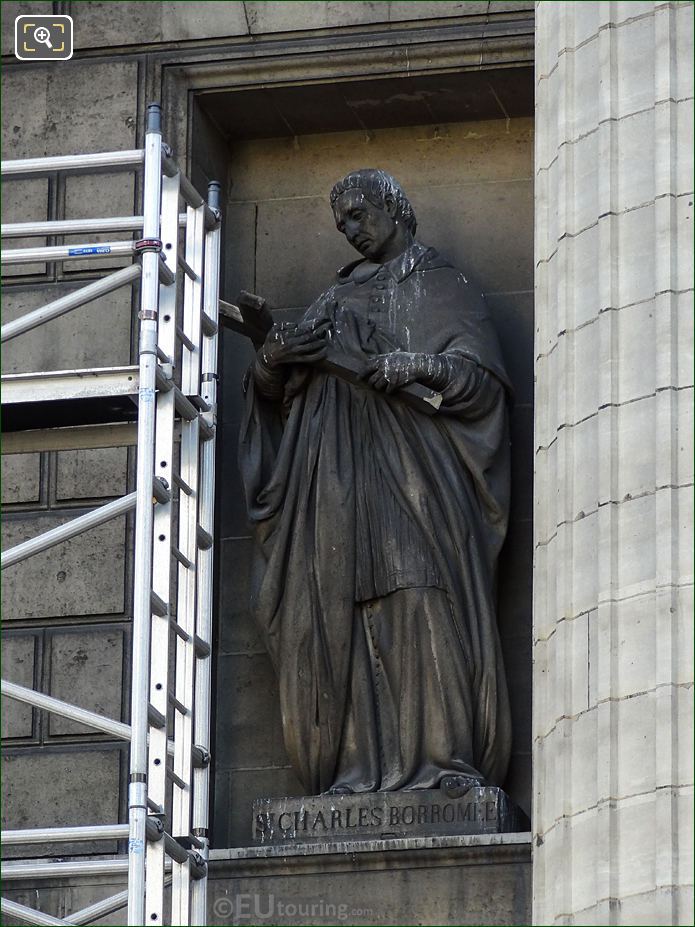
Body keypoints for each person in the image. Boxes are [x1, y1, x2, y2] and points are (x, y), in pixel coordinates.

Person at [238, 169, 512, 796]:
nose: (351, 232)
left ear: (396, 208)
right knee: (344, 613)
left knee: (419, 596)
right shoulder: (334, 299)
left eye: (359, 216)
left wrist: (417, 362)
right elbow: (280, 394)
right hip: (334, 478)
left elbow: (482, 383)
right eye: (342, 225)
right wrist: (272, 361)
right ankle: (357, 771)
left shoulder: (442, 285)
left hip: (418, 477)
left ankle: (444, 763)